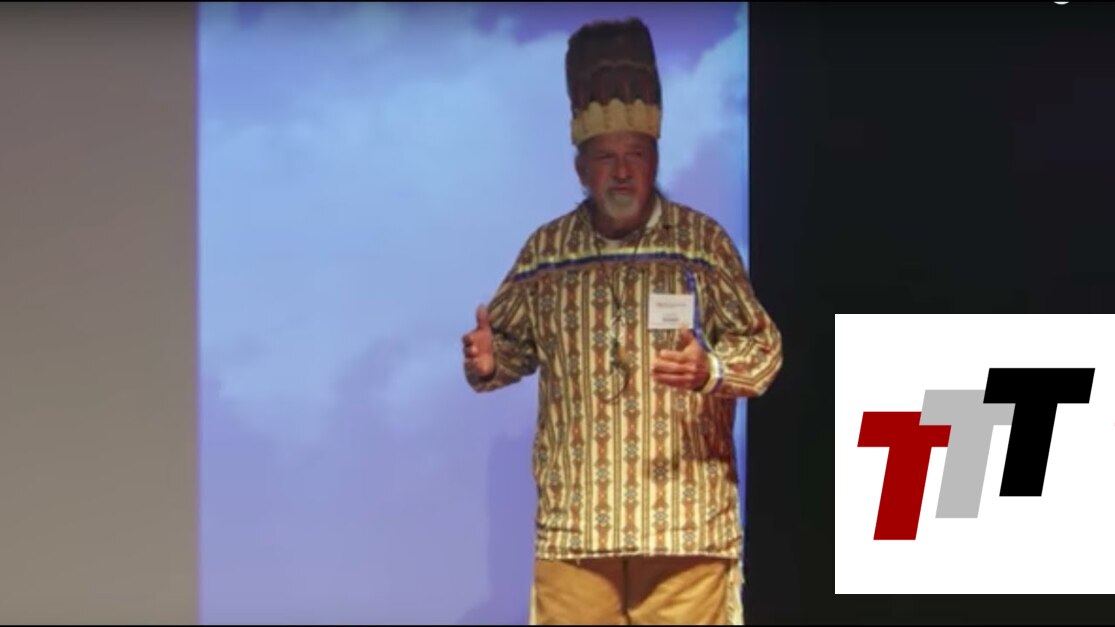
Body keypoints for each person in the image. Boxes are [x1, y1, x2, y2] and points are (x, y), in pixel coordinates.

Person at [462, 17, 783, 626]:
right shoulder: (547, 253)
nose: (622, 172)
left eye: (636, 155)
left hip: (685, 527)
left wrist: (712, 369)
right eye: (606, 158)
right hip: (577, 530)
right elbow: (509, 347)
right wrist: (489, 359)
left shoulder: (700, 245)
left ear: (655, 160)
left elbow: (763, 350)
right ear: (581, 169)